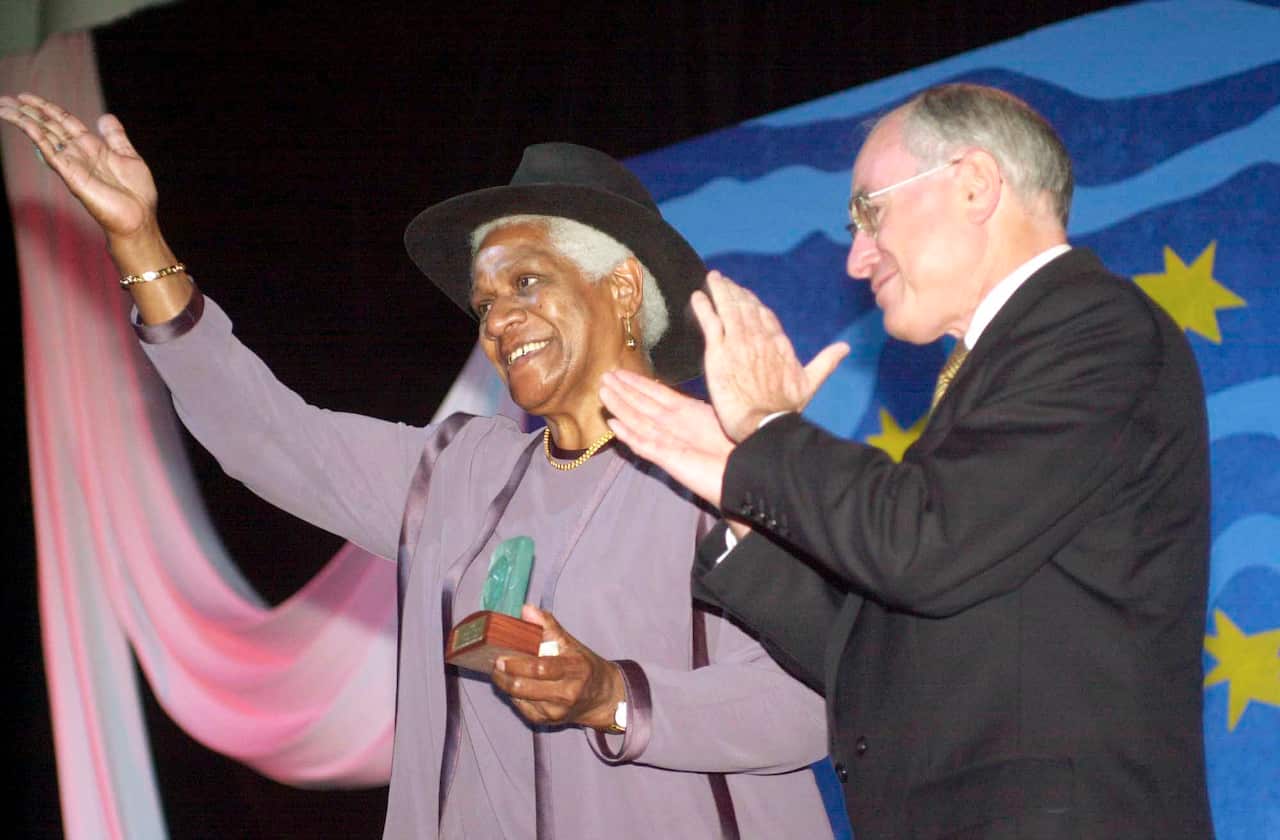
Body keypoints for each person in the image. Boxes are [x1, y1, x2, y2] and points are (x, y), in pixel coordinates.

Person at [0, 94, 836, 839]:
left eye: (527, 282)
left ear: (621, 288)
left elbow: (812, 702)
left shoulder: (727, 471)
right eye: (485, 303)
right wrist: (142, 245)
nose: (499, 320)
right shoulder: (458, 473)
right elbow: (267, 437)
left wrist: (611, 694)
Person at [600, 83, 1214, 838]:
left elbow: (924, 545)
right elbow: (885, 649)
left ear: (974, 185)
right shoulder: (1002, 369)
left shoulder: (1092, 328)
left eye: (868, 212)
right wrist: (739, 495)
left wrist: (767, 431)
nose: (857, 259)